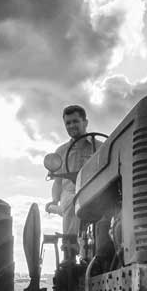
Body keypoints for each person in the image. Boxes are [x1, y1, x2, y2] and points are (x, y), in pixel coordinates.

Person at [46, 105, 98, 256]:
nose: (71, 126)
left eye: (75, 121)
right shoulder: (60, 152)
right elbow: (57, 182)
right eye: (68, 123)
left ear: (85, 122)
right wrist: (54, 201)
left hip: (95, 191)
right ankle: (69, 251)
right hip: (70, 195)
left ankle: (104, 251)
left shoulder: (100, 147)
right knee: (71, 199)